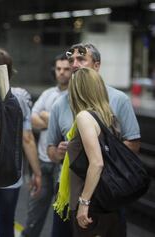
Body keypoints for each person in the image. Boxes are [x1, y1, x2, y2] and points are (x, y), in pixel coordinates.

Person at [47, 43, 140, 237]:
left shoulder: (115, 101)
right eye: (71, 59)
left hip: (100, 194)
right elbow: (51, 149)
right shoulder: (60, 104)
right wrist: (59, 153)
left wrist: (86, 199)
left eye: (81, 59)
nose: (74, 64)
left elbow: (126, 147)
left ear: (96, 66)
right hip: (67, 193)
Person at [0, 48, 41, 237]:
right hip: (10, 170)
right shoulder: (20, 97)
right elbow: (27, 138)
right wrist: (37, 172)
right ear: (11, 70)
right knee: (7, 221)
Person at [61, 67, 125, 236]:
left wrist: (84, 202)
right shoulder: (109, 116)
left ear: (78, 90)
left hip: (92, 206)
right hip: (109, 202)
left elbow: (97, 163)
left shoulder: (85, 117)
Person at [22, 54, 71, 237]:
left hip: (63, 166)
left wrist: (45, 117)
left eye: (66, 69)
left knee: (62, 219)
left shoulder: (74, 96)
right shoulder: (48, 94)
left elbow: (70, 129)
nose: (62, 73)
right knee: (34, 214)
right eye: (58, 69)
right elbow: (32, 121)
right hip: (43, 162)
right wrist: (55, 121)